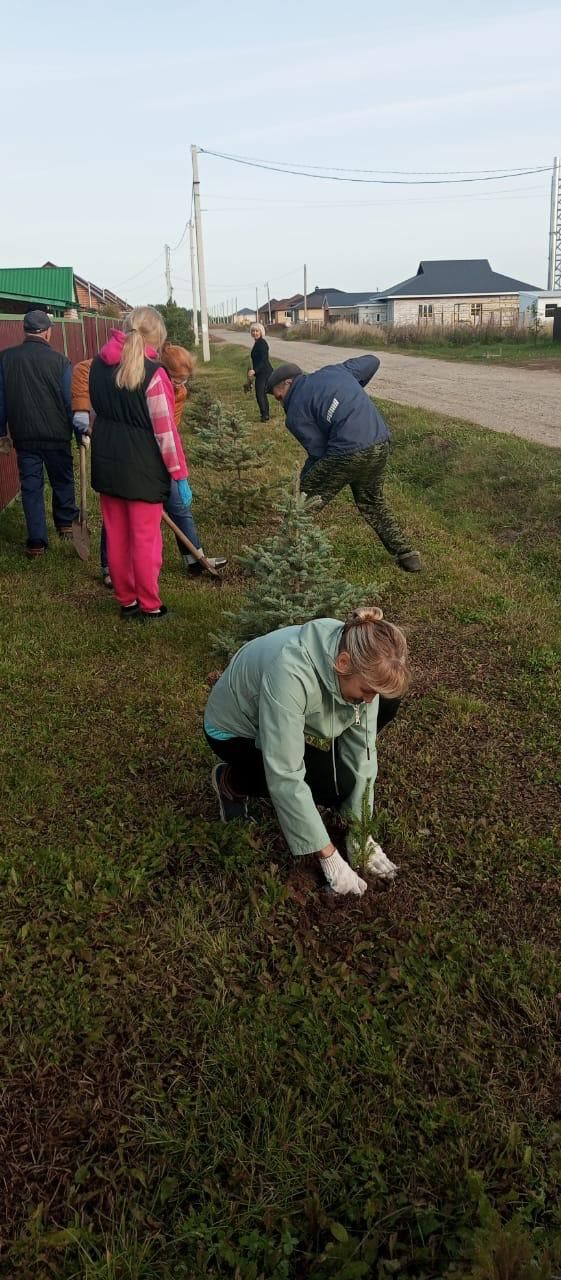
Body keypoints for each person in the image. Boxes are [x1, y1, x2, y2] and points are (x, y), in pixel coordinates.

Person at [205, 606, 409, 896]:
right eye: (366, 690)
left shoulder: (361, 654)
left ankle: (332, 786)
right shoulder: (290, 671)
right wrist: (328, 856)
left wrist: (360, 832)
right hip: (234, 730)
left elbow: (363, 752)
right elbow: (285, 772)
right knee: (329, 784)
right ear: (342, 662)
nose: (369, 700)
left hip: (280, 716)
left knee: (381, 712)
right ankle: (231, 781)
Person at [266, 357, 422, 572]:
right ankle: (406, 555)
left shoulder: (294, 414)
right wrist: (350, 392)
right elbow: (372, 361)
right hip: (380, 442)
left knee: (301, 506)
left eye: (279, 397)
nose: (281, 402)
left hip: (345, 452)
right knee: (372, 502)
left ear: (288, 383)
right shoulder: (337, 371)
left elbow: (319, 453)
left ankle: (279, 560)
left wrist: (302, 485)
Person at [89, 306, 190, 620]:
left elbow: (96, 409)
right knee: (145, 540)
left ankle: (127, 601)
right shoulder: (154, 373)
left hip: (106, 460)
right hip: (142, 468)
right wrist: (179, 475)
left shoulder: (97, 365)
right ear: (156, 336)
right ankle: (150, 605)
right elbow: (165, 432)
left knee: (117, 535)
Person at [0, 309, 86, 558]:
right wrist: (79, 432)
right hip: (57, 435)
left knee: (31, 486)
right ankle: (66, 523)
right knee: (62, 479)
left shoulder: (6, 359)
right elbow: (70, 400)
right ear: (48, 332)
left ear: (24, 331)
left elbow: (1, 400)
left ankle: (36, 541)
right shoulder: (60, 362)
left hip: (24, 436)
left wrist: (1, 431)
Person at [161, 341, 227, 576]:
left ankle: (194, 559)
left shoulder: (179, 392)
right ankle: (111, 566)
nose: (181, 384)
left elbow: (171, 430)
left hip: (165, 452)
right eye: (177, 378)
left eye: (185, 379)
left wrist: (178, 472)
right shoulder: (153, 385)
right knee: (172, 509)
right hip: (147, 454)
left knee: (179, 506)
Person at [71, 357, 112, 588]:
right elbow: (83, 371)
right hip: (101, 433)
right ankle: (108, 565)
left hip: (122, 440)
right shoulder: (93, 366)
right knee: (112, 504)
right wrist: (83, 415)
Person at [247, 323, 273, 423]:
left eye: (257, 331)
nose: (255, 333)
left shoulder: (262, 343)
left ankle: (265, 415)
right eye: (253, 331)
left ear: (261, 332)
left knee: (260, 394)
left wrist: (255, 370)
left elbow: (264, 360)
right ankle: (265, 414)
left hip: (264, 372)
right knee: (262, 394)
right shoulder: (257, 343)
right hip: (261, 372)